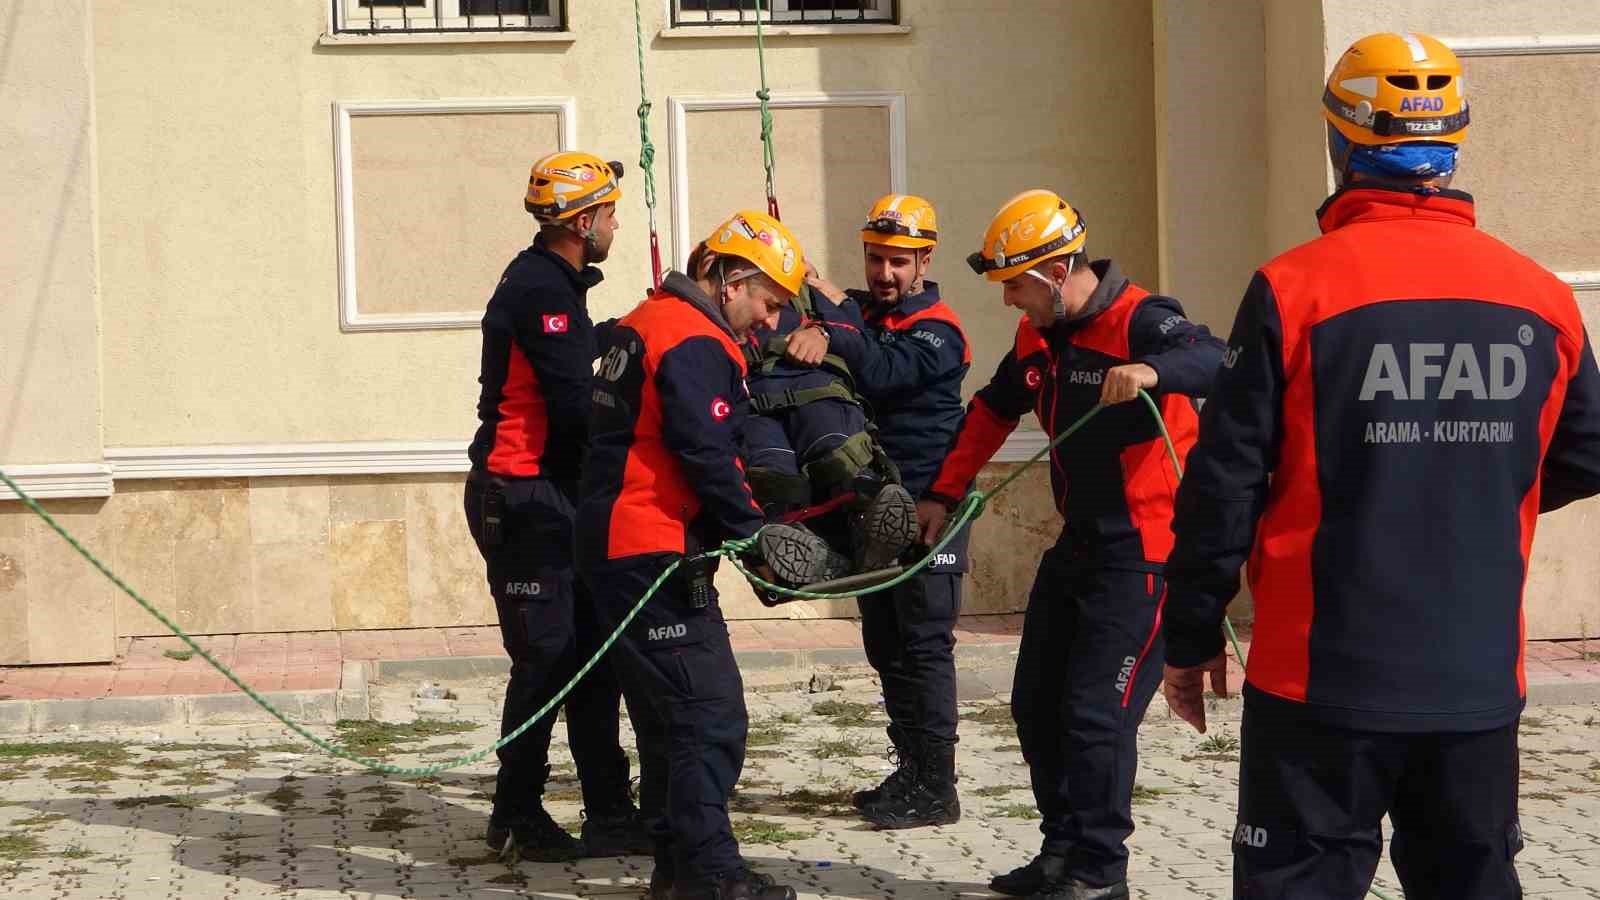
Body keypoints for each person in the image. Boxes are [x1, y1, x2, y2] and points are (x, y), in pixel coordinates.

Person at [1160, 31, 1600, 900]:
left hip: (1317, 680)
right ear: (1453, 140)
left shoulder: (1295, 287)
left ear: (1342, 143)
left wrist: (1191, 635)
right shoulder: (1539, 295)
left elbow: (1224, 487)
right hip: (1475, 684)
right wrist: (1465, 490)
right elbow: (1585, 451)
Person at [918, 189, 1225, 899]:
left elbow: (1215, 358)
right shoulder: (1040, 336)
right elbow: (993, 409)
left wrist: (1152, 370)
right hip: (1081, 544)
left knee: (1096, 712)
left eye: (1016, 286)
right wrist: (943, 494)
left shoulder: (1143, 319)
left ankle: (1099, 871)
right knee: (1036, 702)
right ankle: (1062, 852)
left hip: (1146, 554)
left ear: (1057, 271)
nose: (1009, 303)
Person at [576, 209, 829, 900]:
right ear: (730, 280)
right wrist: (757, 534)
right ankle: (711, 875)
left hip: (617, 543)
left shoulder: (646, 319)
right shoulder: (693, 340)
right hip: (648, 546)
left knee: (665, 718)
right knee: (707, 715)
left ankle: (677, 870)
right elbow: (706, 454)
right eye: (768, 303)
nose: (772, 323)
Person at [463, 150, 651, 862]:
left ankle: (610, 809)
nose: (615, 227)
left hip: (550, 493)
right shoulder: (541, 292)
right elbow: (576, 410)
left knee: (592, 655)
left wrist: (630, 329)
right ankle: (515, 815)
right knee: (546, 658)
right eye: (609, 215)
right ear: (581, 220)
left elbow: (573, 361)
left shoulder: (555, 286)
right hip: (523, 498)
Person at [799, 193, 973, 829]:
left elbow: (878, 371)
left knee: (924, 641)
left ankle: (938, 788)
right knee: (886, 641)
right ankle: (911, 770)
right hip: (874, 505)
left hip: (932, 505)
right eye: (876, 259)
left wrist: (828, 311)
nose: (885, 273)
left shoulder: (940, 330)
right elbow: (854, 339)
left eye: (899, 261)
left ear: (925, 259)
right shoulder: (866, 315)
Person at [738, 297, 919, 585]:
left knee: (837, 451)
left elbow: (857, 334)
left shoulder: (808, 294)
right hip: (752, 406)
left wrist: (823, 333)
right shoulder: (717, 308)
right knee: (771, 473)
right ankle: (796, 544)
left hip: (817, 391)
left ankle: (867, 516)